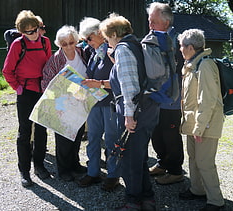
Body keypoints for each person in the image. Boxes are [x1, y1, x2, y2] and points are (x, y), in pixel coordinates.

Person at [99, 14, 160, 210]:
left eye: (108, 37)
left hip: (135, 112)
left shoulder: (123, 50)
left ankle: (133, 201)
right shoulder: (135, 45)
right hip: (148, 109)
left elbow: (129, 86)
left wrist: (128, 116)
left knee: (130, 159)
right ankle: (147, 197)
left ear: (115, 34)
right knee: (139, 156)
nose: (108, 41)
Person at [2, 10, 52, 187]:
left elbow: (48, 65)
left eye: (35, 29)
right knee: (25, 132)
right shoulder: (18, 44)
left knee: (41, 130)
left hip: (42, 89)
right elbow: (7, 71)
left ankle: (39, 165)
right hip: (26, 92)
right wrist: (18, 88)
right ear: (22, 32)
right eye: (28, 32)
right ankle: (24, 171)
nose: (33, 34)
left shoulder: (45, 42)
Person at [177, 29, 225, 211]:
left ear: (190, 47)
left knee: (205, 163)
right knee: (194, 158)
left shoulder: (204, 66)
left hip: (205, 124)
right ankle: (197, 190)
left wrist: (200, 127)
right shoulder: (192, 65)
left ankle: (216, 201)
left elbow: (208, 100)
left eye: (181, 46)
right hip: (194, 122)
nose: (180, 49)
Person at [76, 17, 119, 191]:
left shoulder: (112, 52)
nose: (87, 43)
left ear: (100, 34)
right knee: (93, 138)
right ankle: (93, 172)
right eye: (85, 40)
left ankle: (113, 175)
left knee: (111, 140)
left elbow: (120, 80)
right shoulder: (94, 53)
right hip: (95, 103)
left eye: (89, 39)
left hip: (110, 104)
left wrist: (99, 83)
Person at [41, 25, 88, 182]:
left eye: (71, 42)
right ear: (59, 44)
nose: (68, 46)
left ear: (76, 41)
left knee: (78, 134)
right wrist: (57, 100)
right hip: (63, 102)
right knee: (63, 138)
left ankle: (75, 164)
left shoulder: (82, 53)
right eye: (64, 44)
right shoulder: (56, 59)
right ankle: (63, 169)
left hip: (81, 101)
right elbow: (46, 81)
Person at [146, 2, 184, 185]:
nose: (150, 24)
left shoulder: (179, 41)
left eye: (154, 21)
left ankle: (176, 171)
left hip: (171, 99)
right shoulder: (151, 38)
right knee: (156, 133)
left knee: (170, 135)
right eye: (149, 20)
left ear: (167, 23)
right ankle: (162, 163)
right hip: (154, 98)